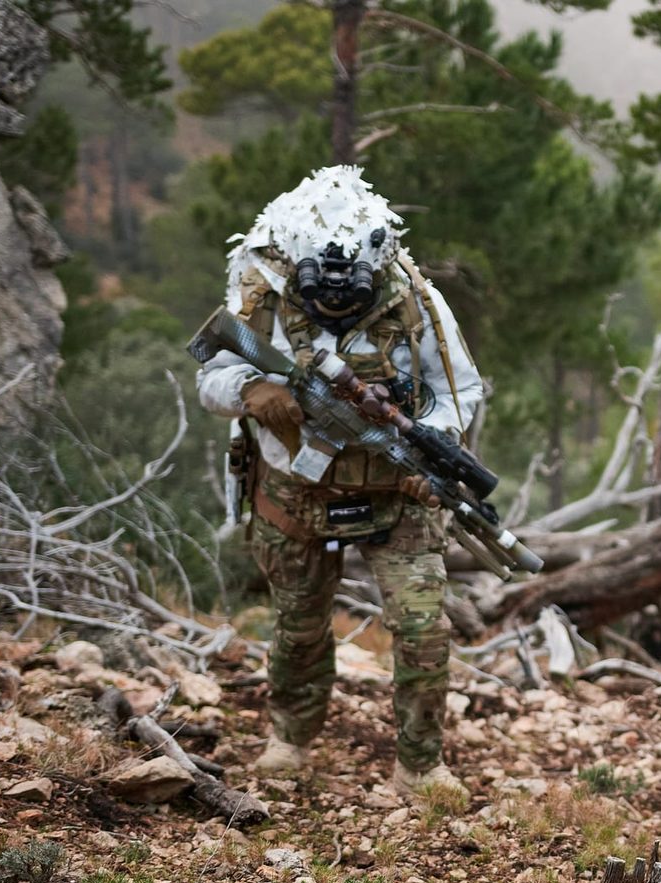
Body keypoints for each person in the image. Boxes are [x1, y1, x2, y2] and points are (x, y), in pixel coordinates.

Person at [196, 166, 483, 793]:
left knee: (421, 627)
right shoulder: (262, 292)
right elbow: (208, 377)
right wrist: (254, 389)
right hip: (294, 492)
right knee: (298, 624)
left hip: (395, 491)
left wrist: (428, 444)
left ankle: (421, 765)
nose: (333, 303)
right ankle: (289, 742)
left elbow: (458, 392)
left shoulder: (416, 302)